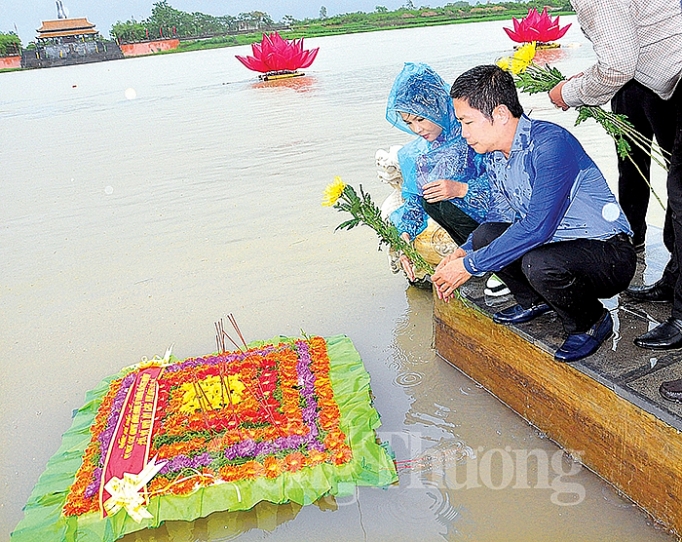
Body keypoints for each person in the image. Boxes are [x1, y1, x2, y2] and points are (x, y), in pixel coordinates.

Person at [433, 64, 636, 363]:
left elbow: (537, 228)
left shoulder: (550, 145)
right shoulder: (495, 156)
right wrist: (463, 253)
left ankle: (590, 321)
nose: (463, 134)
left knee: (538, 263)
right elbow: (499, 216)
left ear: (500, 114)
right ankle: (534, 301)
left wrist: (470, 267)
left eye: (467, 122)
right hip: (559, 246)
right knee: (486, 237)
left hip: (609, 253)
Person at [548, 0, 682, 355]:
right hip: (660, 83)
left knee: (681, 196)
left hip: (669, 85)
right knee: (658, 181)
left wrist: (567, 92)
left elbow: (616, 66)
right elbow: (626, 45)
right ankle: (673, 280)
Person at [385, 62, 492, 283]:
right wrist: (405, 234)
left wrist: (462, 189)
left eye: (421, 119)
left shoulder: (472, 132)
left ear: (438, 108)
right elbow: (414, 199)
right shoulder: (418, 154)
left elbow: (502, 180)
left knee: (443, 202)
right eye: (409, 122)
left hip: (496, 220)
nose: (417, 129)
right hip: (464, 230)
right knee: (430, 201)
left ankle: (489, 258)